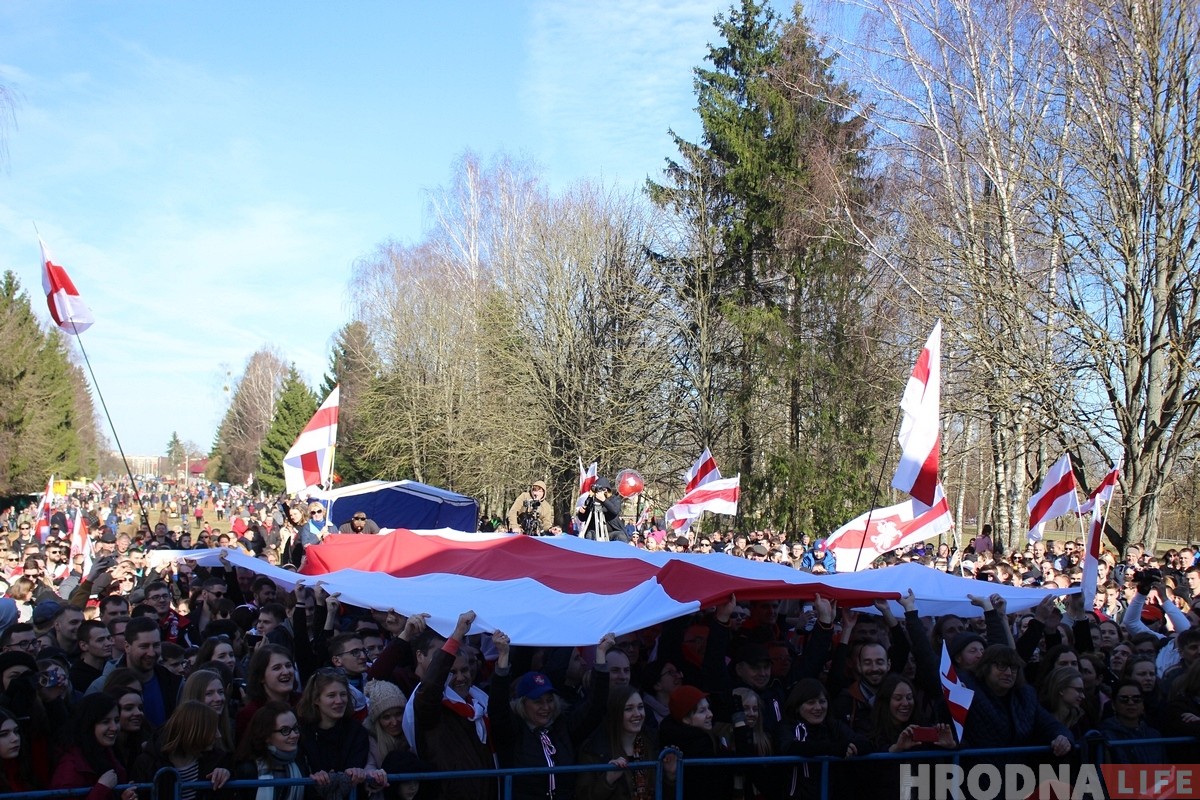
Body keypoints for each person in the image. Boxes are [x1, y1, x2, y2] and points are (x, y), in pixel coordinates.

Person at [488, 629, 614, 800]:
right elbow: (498, 709)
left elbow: (594, 709)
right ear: (522, 704)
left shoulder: (563, 727)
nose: (546, 707)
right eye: (537, 701)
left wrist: (600, 656)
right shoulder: (513, 732)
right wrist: (503, 658)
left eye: (549, 700)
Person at [577, 685, 675, 800]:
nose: (638, 714)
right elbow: (582, 796)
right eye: (629, 709)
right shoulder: (594, 749)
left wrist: (670, 776)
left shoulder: (652, 741)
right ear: (615, 712)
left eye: (640, 707)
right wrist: (607, 780)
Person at [297, 668, 384, 793]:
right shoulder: (302, 732)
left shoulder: (357, 731)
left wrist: (356, 772)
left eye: (343, 694)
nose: (339, 701)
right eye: (331, 695)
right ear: (316, 699)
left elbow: (355, 770)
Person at [131, 700, 231, 798]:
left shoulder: (217, 760)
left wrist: (226, 773)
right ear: (194, 732)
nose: (218, 735)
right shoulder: (147, 764)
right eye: (212, 730)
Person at [50, 692, 137, 800]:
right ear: (89, 725)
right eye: (105, 722)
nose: (114, 728)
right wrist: (102, 789)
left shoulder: (108, 755)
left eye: (116, 720)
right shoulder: (70, 768)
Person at [233, 701, 314, 800]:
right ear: (266, 736)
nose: (294, 735)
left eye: (295, 728)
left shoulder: (302, 760)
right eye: (285, 730)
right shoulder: (247, 768)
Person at [182, 669, 236, 753]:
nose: (218, 698)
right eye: (209, 693)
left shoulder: (231, 728)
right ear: (195, 697)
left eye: (221, 692)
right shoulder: (179, 735)